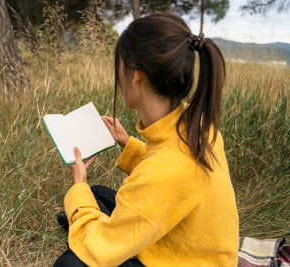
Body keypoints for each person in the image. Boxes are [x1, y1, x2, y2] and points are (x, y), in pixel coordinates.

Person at [54, 11, 239, 267]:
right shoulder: (198, 125)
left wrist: (77, 187)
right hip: (194, 249)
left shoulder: (162, 171)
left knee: (71, 263)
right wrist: (127, 144)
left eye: (118, 66)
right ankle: (84, 215)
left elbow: (100, 249)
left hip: (183, 260)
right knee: (97, 195)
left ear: (136, 76)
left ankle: (82, 219)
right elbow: (175, 177)